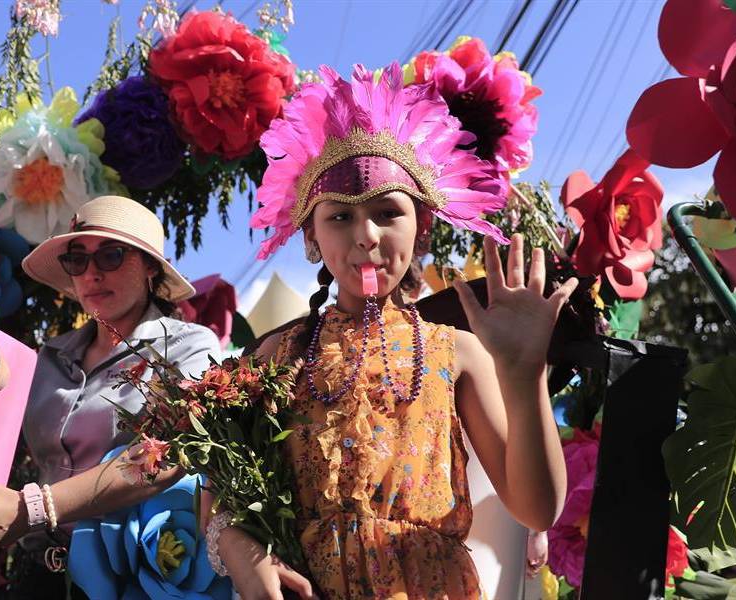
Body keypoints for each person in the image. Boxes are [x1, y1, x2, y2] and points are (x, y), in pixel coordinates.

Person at [206, 63, 577, 600]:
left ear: (422, 225)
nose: (366, 236)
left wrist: (524, 377)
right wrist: (246, 556)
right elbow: (217, 487)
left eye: (387, 212)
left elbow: (536, 507)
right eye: (339, 218)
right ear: (309, 235)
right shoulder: (274, 356)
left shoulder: (458, 352)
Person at [0, 195, 220, 599]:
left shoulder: (189, 347)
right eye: (77, 259)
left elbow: (166, 454)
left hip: (128, 577)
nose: (91, 273)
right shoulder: (47, 356)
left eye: (111, 255)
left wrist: (31, 509)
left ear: (151, 267)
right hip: (36, 573)